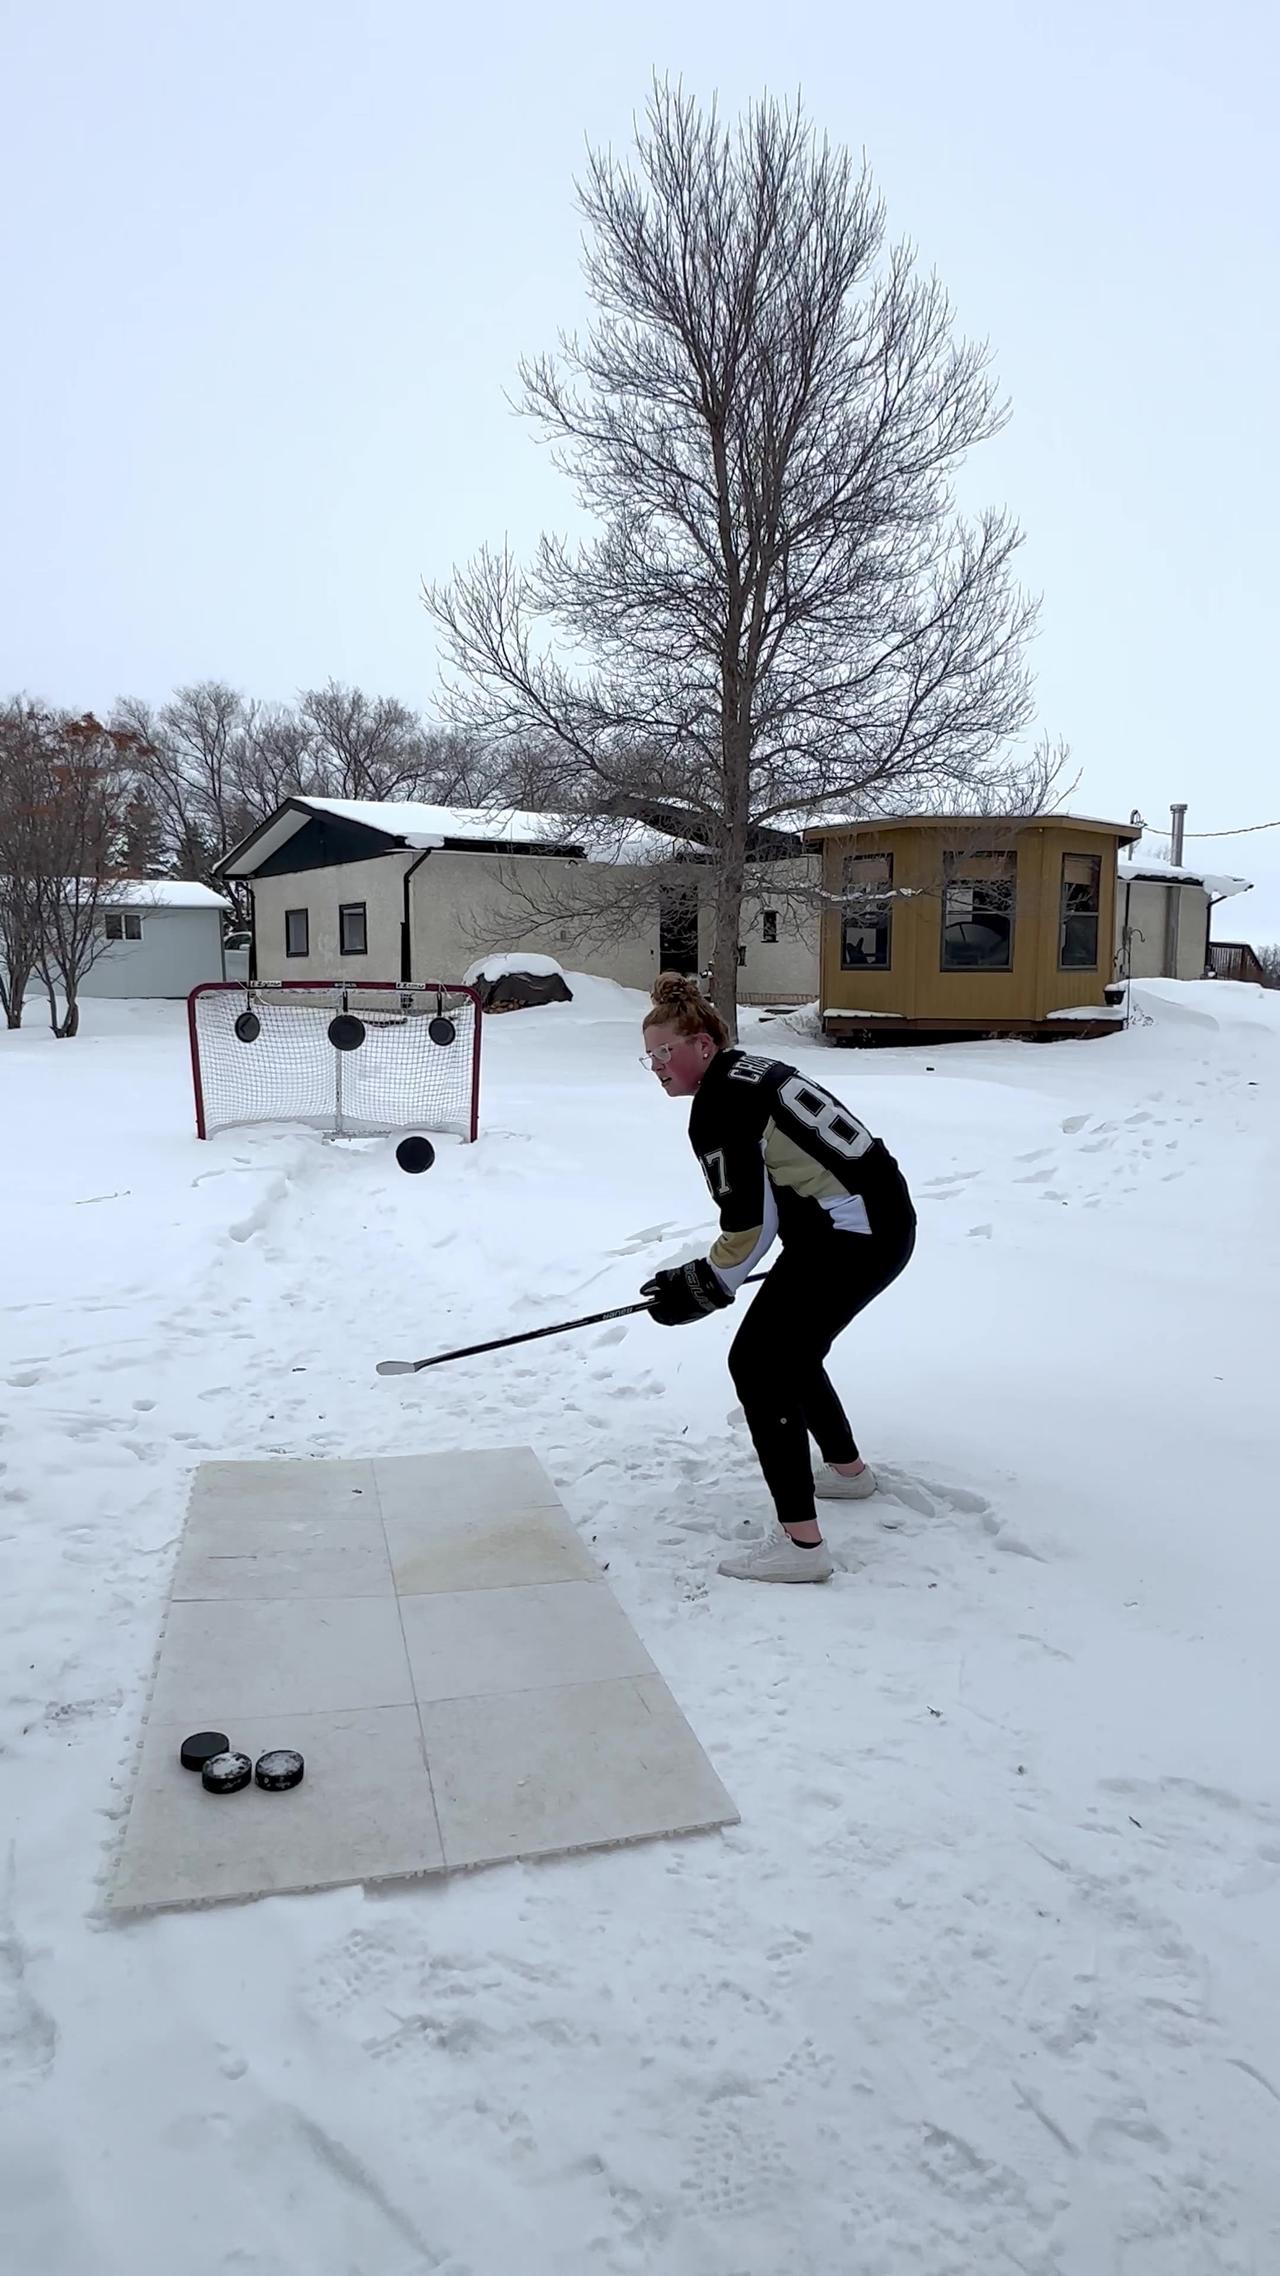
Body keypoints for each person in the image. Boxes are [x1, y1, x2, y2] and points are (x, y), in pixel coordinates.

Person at [639, 972, 916, 1584]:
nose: (657, 1065)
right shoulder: (749, 1069)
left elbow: (749, 1225)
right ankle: (849, 1473)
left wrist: (705, 1284)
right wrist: (715, 1277)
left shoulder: (717, 1106)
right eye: (649, 1055)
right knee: (790, 1348)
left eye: (667, 1051)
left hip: (854, 1238)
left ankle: (802, 1547)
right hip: (874, 1225)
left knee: (759, 1363)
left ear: (703, 1047)